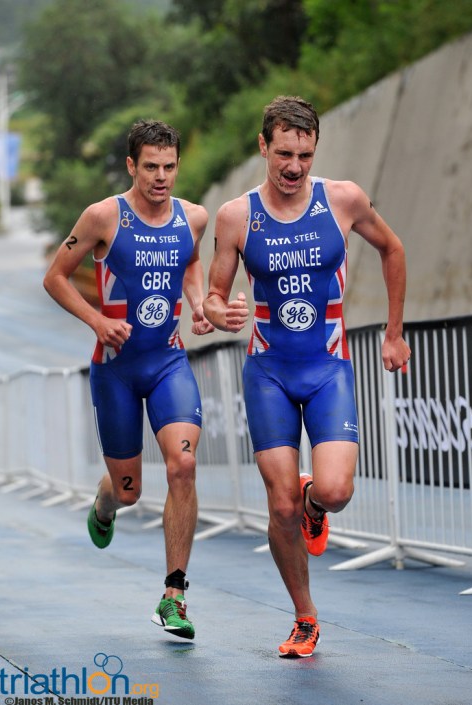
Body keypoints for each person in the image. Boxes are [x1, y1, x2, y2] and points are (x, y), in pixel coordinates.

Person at [203, 95, 411, 658]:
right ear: (263, 147)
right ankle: (304, 617)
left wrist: (393, 332)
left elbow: (392, 249)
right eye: (284, 154)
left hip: (327, 370)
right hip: (268, 373)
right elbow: (214, 296)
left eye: (305, 155)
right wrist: (221, 314)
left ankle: (315, 505)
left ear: (314, 150)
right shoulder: (236, 216)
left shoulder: (343, 199)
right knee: (280, 507)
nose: (294, 167)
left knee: (336, 491)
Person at [43, 119, 214, 641]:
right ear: (131, 166)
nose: (161, 177)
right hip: (115, 370)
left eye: (169, 167)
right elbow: (54, 277)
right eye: (151, 167)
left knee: (183, 464)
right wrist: (98, 321)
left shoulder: (194, 217)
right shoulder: (103, 216)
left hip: (167, 363)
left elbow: (190, 262)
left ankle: (174, 595)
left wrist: (198, 304)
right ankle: (105, 502)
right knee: (129, 490)